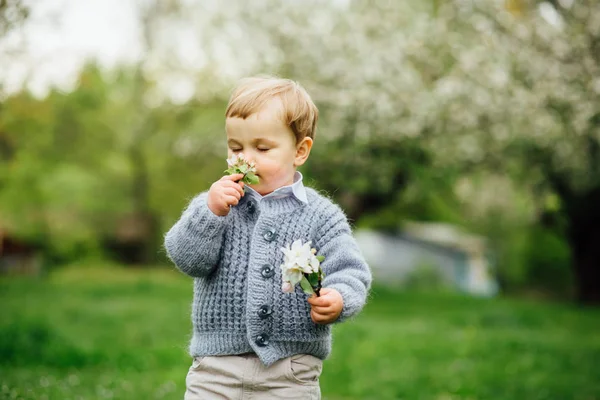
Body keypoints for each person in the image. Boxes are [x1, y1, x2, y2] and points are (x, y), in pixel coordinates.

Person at [164, 76, 372, 399]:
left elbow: (351, 270)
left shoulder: (321, 215)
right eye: (235, 148)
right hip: (217, 367)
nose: (246, 158)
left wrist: (339, 298)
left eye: (262, 148)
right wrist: (210, 212)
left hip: (290, 371)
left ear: (300, 151)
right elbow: (188, 259)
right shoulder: (218, 204)